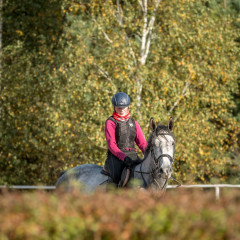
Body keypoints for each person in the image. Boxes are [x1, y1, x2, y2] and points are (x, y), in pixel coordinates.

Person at [102, 92, 148, 185]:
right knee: (116, 176)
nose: (122, 110)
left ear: (128, 107)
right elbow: (111, 145)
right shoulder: (110, 122)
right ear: (114, 107)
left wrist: (149, 155)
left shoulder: (134, 123)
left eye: (124, 107)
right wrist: (123, 157)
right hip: (116, 156)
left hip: (132, 155)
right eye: (119, 107)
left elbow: (142, 143)